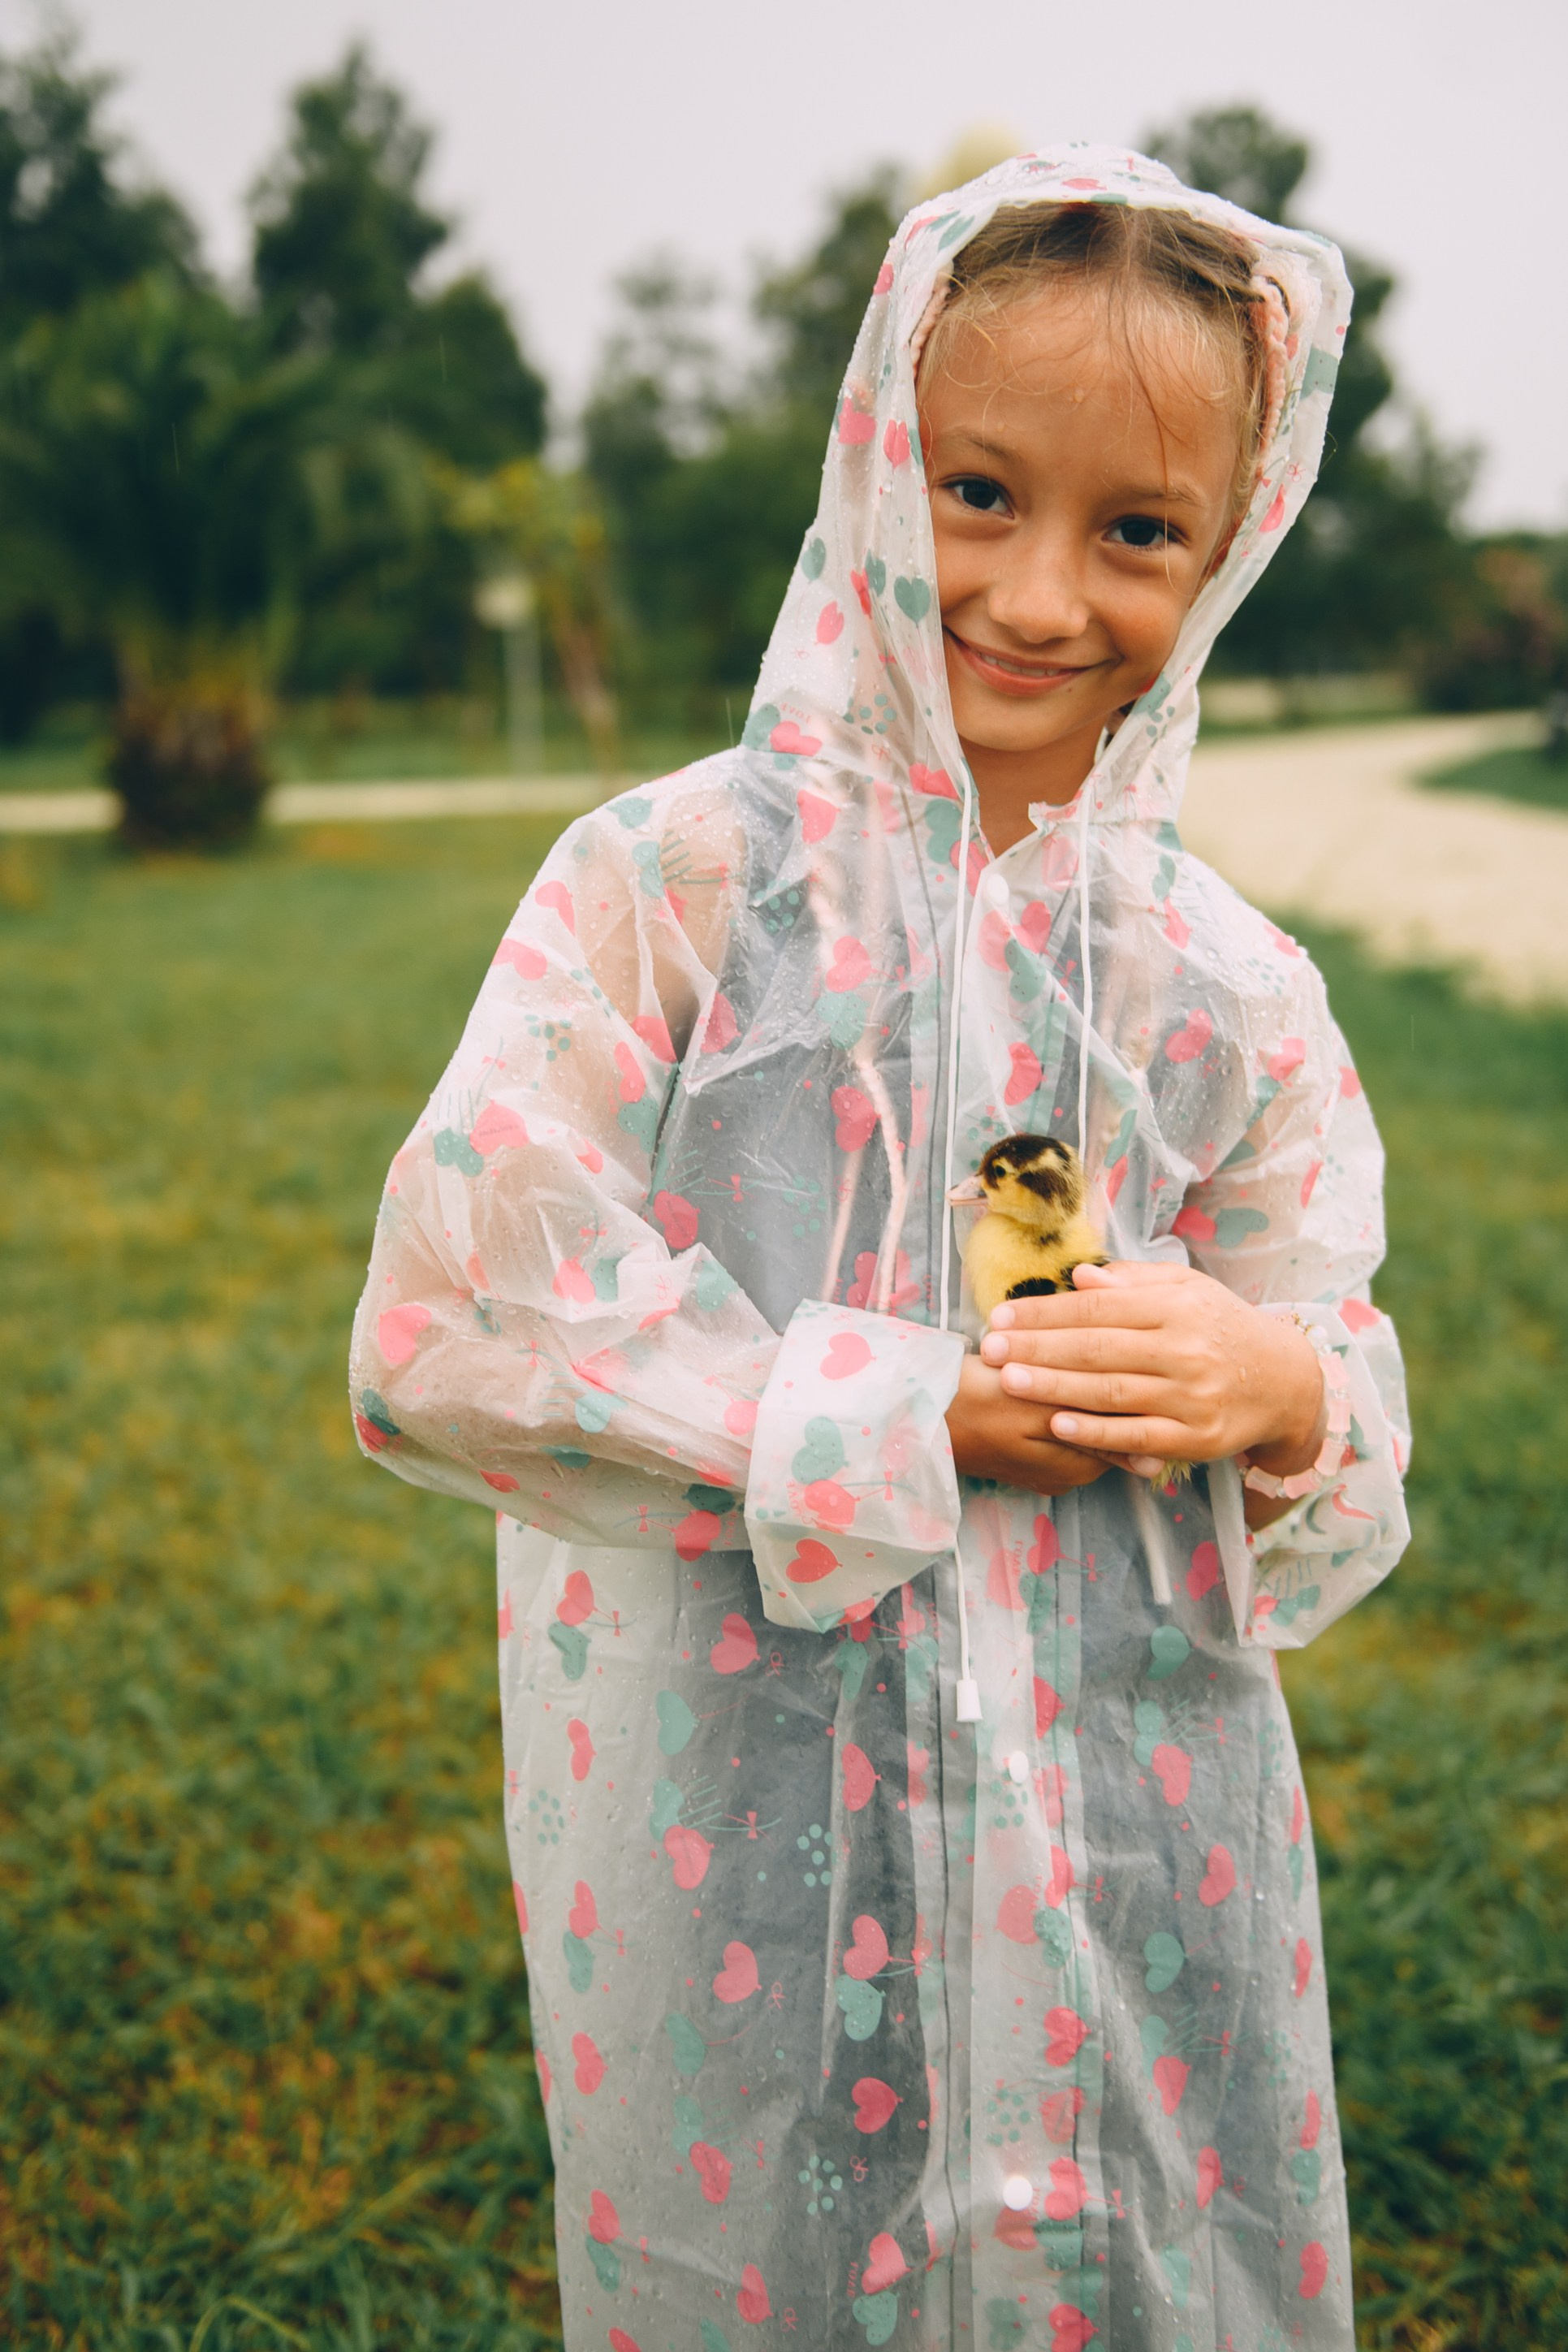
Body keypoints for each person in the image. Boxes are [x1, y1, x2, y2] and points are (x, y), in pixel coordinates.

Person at [350, 146, 1410, 2352]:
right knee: (778, 2244)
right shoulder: (678, 891)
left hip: (1129, 1824)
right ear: (865, 475)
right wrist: (895, 1410)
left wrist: (1282, 1391)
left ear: (1225, 555)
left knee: (1116, 2245)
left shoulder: (1215, 989)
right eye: (975, 494)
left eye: (1135, 531)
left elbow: (1331, 1388)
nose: (1035, 596)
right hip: (751, 1785)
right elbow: (460, 1315)